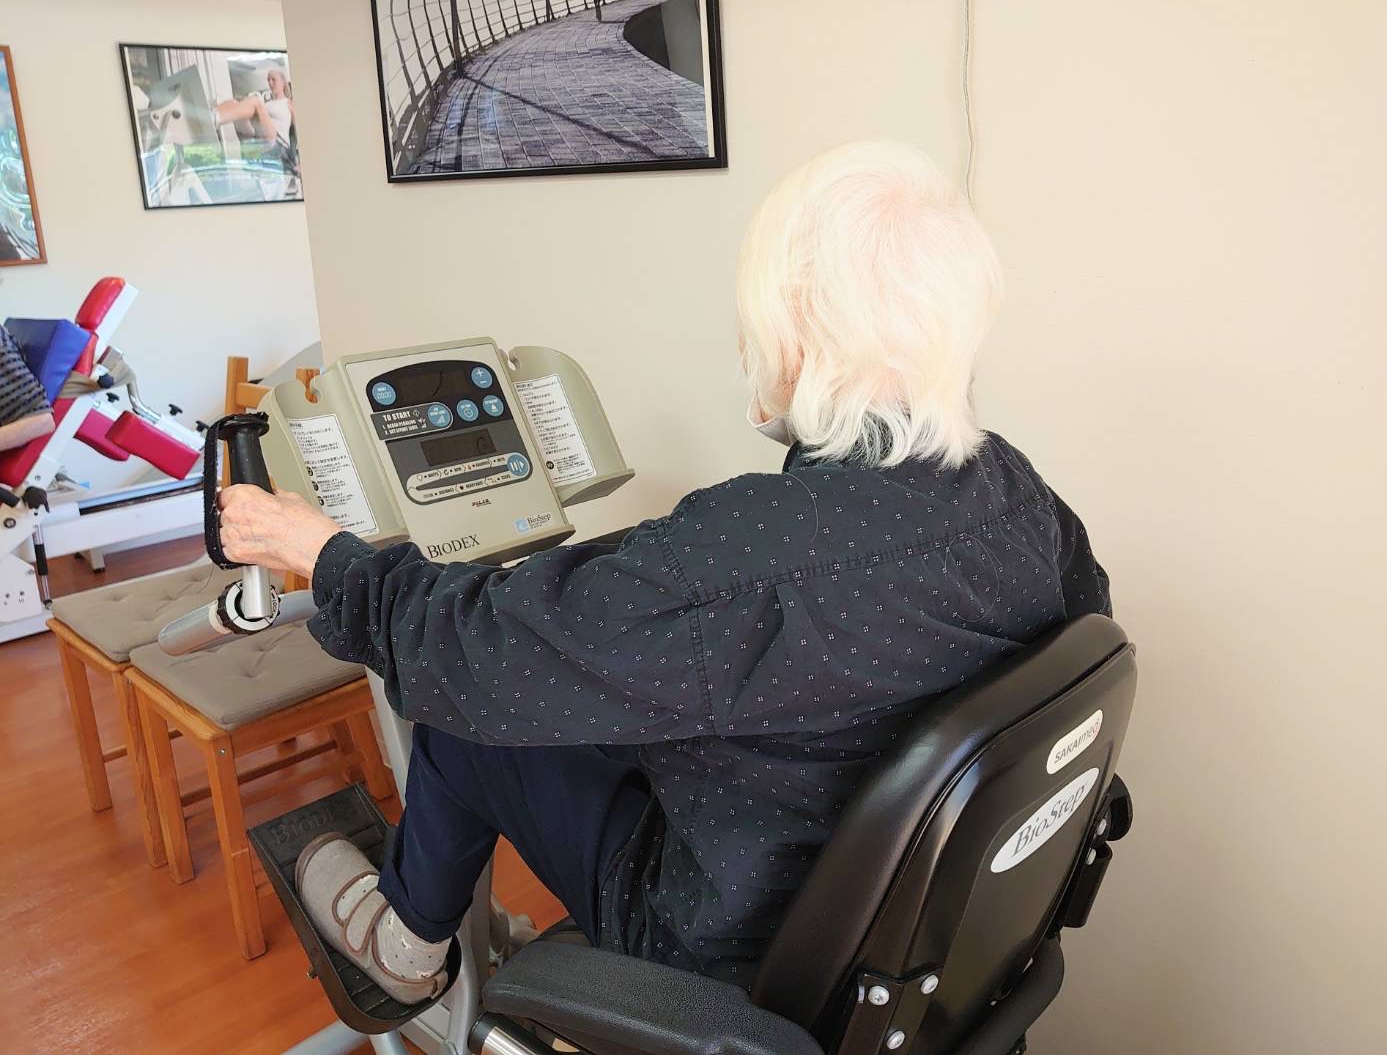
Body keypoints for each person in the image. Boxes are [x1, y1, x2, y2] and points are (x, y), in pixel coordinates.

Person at [216, 140, 1111, 1002]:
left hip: (725, 952)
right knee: (561, 682)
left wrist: (323, 555)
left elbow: (478, 650)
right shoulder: (1016, 495)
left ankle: (407, 946)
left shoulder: (752, 551)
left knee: (472, 712)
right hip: (905, 938)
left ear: (792, 332)